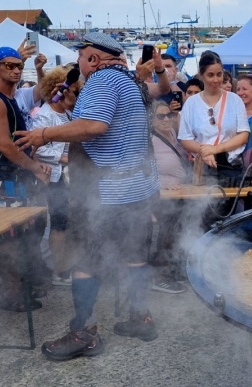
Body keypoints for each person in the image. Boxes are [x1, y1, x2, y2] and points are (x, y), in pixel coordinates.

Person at [14, 31, 161, 360]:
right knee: (135, 255)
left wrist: (43, 134)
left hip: (106, 193)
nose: (78, 62)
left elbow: (94, 126)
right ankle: (140, 318)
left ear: (93, 59)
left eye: (80, 56)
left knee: (85, 261)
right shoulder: (129, 82)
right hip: (136, 189)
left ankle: (84, 333)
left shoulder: (102, 80)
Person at [0, 47, 52, 311]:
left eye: (19, 65)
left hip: (17, 173)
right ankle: (11, 294)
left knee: (27, 231)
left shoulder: (11, 97)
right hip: (6, 175)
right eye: (9, 65)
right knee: (11, 236)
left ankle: (20, 288)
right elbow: (5, 146)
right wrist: (34, 167)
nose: (17, 69)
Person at [31, 65, 83, 288]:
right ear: (60, 90)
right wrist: (64, 158)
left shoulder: (70, 114)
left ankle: (68, 264)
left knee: (69, 223)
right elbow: (37, 146)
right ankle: (59, 270)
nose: (77, 95)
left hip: (70, 176)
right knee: (59, 224)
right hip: (54, 178)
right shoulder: (45, 115)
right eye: (74, 91)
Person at [178, 53, 249, 186]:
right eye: (211, 75)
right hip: (203, 165)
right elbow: (185, 139)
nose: (216, 80)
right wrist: (205, 151)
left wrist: (216, 149)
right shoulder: (191, 103)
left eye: (219, 74)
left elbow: (243, 134)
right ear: (201, 75)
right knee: (202, 205)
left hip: (231, 166)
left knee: (230, 204)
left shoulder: (234, 100)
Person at [149, 100, 190, 294]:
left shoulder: (173, 133)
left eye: (169, 115)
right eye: (160, 116)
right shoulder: (148, 140)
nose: (166, 119)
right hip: (160, 196)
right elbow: (142, 169)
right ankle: (159, 277)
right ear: (151, 119)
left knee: (175, 233)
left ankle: (171, 271)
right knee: (165, 235)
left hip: (178, 193)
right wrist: (161, 182)